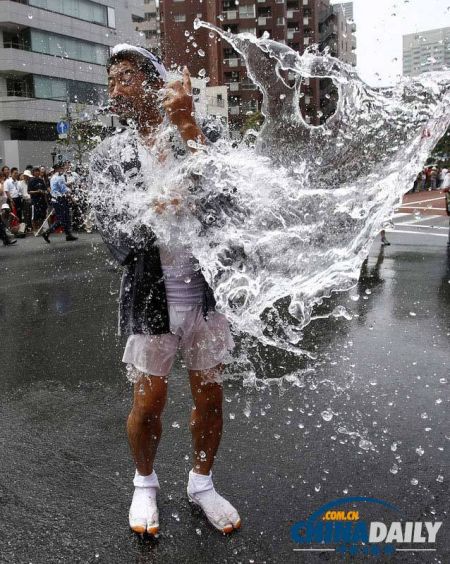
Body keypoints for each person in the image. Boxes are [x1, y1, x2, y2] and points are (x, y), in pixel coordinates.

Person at [89, 44, 240, 537]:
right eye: (111, 80)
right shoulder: (111, 156)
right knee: (149, 402)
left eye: (126, 77)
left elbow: (232, 201)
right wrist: (152, 214)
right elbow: (112, 230)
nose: (115, 89)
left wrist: (190, 130)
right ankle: (145, 482)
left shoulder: (203, 133)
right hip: (153, 297)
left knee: (210, 398)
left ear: (154, 83)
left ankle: (202, 483)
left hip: (204, 294)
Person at [41, 163, 78, 242]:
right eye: (61, 168)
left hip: (56, 200)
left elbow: (61, 187)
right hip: (60, 200)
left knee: (66, 217)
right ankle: (47, 232)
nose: (63, 169)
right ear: (57, 169)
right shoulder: (58, 178)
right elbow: (64, 190)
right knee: (62, 219)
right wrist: (72, 198)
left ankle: (68, 235)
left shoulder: (54, 177)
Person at [28, 166, 49, 232]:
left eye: (38, 171)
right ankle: (35, 230)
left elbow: (45, 190)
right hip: (35, 201)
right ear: (33, 173)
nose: (37, 172)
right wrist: (37, 191)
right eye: (35, 171)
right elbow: (29, 191)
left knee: (42, 216)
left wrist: (43, 192)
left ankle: (41, 229)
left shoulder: (41, 180)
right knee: (34, 216)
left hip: (42, 200)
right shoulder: (31, 181)